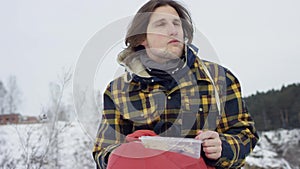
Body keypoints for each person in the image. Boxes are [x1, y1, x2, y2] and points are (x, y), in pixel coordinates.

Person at [93, 0, 259, 168]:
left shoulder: (219, 78)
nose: (173, 31)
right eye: (161, 24)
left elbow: (245, 134)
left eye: (176, 24)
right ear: (142, 37)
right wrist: (128, 153)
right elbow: (103, 150)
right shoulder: (118, 90)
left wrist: (223, 147)